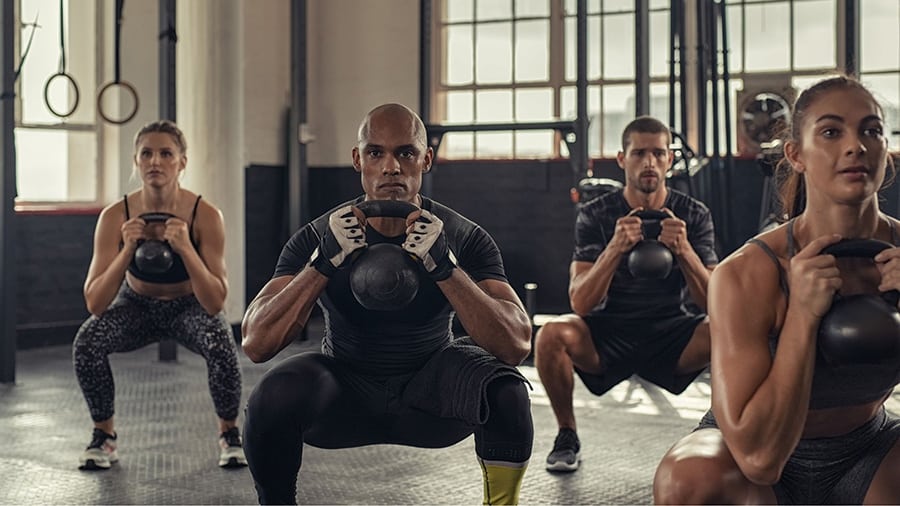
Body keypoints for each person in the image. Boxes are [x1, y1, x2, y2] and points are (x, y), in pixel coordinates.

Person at [240, 103, 535, 505]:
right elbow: (256, 342)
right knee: (270, 398)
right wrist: (322, 263)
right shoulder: (317, 236)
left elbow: (517, 343)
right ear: (358, 159)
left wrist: (446, 267)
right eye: (376, 153)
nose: (391, 167)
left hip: (432, 394)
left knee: (507, 392)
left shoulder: (464, 237)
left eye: (406, 153)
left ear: (426, 159)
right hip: (345, 391)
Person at [652, 76, 900, 505]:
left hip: (869, 449)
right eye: (831, 131)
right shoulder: (746, 274)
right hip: (749, 458)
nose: (856, 145)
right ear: (796, 154)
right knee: (688, 480)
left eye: (871, 130)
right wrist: (802, 315)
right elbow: (759, 458)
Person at [534, 115, 718, 472]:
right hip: (609, 332)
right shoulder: (595, 214)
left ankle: (720, 431)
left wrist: (685, 252)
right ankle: (566, 434)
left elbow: (714, 303)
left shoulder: (693, 215)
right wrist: (615, 248)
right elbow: (581, 302)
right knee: (551, 335)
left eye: (658, 153)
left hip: (672, 332)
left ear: (670, 159)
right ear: (622, 159)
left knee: (728, 329)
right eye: (639, 153)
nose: (649, 162)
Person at [73, 120, 247, 470]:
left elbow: (215, 302)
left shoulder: (206, 215)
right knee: (87, 341)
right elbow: (95, 302)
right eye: (147, 154)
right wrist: (128, 249)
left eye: (166, 153)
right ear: (135, 162)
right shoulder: (115, 216)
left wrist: (186, 248)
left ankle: (229, 434)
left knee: (220, 341)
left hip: (188, 306)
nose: (155, 161)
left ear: (182, 162)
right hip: (136, 304)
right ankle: (104, 436)